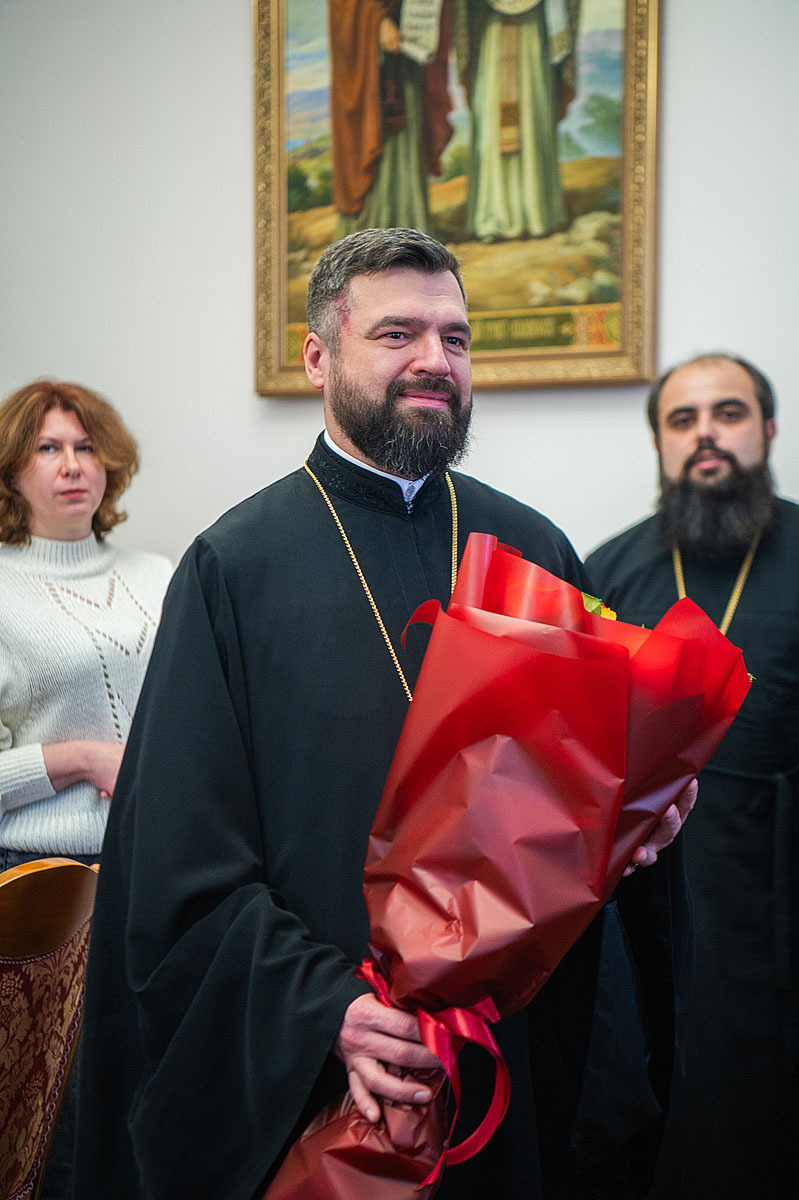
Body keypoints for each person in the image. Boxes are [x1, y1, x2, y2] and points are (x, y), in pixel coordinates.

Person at [73, 228, 690, 1200]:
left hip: (508, 1058)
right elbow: (179, 864)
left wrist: (636, 820)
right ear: (318, 356)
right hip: (322, 1076)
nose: (435, 360)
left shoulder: (530, 549)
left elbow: (582, 803)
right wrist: (329, 1009)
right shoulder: (234, 568)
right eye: (398, 334)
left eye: (456, 338)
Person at [586, 353, 799, 1199]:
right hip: (648, 893)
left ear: (768, 430)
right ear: (658, 445)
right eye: (682, 419)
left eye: (728, 413)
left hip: (777, 887)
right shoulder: (608, 571)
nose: (705, 433)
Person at [0, 378, 172, 1200]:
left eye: (85, 446)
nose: (72, 466)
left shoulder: (161, 573)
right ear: (12, 471)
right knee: (62, 1130)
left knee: (158, 1108)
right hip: (46, 894)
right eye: (47, 449)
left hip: (159, 875)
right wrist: (79, 758)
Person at [329, 1, 453, 234]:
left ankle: (411, 225)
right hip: (373, 49)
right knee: (374, 131)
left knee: (410, 134)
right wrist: (378, 20)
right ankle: (371, 231)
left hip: (411, 42)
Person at [459, 0, 579, 242]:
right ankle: (492, 217)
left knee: (533, 119)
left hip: (534, 34)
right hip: (492, 33)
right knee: (491, 128)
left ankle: (537, 214)